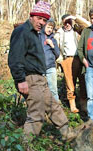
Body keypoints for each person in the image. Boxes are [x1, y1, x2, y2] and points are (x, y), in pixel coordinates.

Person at [8, 1, 82, 141]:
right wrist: (20, 80)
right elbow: (14, 58)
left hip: (41, 79)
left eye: (44, 19)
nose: (41, 22)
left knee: (53, 106)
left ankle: (67, 133)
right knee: (36, 113)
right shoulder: (22, 31)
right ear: (32, 16)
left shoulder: (36, 33)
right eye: (39, 18)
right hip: (29, 78)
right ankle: (24, 147)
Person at [55, 14, 90, 113]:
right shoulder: (59, 33)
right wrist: (60, 60)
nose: (67, 24)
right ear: (62, 23)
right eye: (65, 22)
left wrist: (75, 18)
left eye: (69, 22)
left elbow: (88, 26)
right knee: (70, 83)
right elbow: (55, 48)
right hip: (67, 59)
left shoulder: (77, 31)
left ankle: (84, 105)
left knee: (83, 81)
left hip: (80, 58)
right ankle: (72, 105)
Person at [40, 18, 60, 101]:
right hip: (40, 67)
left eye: (51, 28)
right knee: (40, 90)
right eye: (48, 27)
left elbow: (57, 54)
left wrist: (52, 45)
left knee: (53, 90)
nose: (49, 29)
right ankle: (42, 109)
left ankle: (56, 110)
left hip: (51, 67)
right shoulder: (38, 37)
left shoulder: (53, 40)